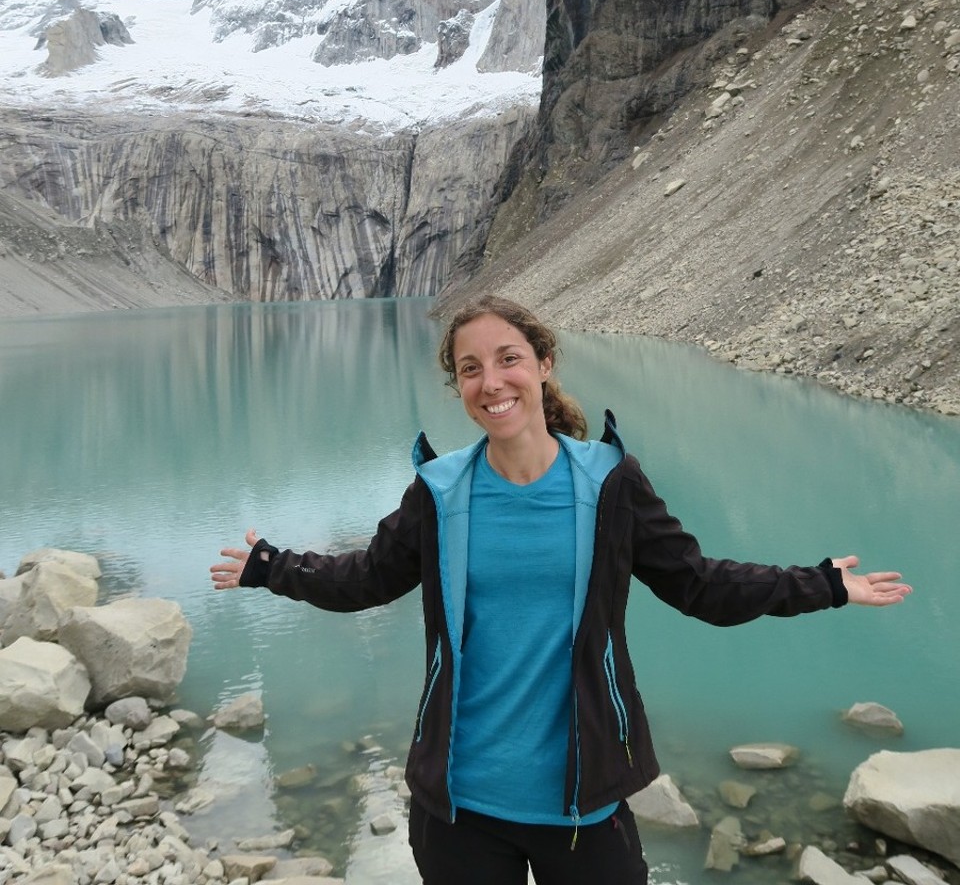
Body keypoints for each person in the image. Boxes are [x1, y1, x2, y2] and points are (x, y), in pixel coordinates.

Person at [211, 293, 911, 885]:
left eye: (508, 359)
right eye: (471, 369)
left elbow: (698, 585)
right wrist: (272, 567)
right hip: (458, 808)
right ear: (458, 387)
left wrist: (821, 585)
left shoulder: (608, 483)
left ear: (543, 365)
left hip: (584, 804)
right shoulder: (439, 490)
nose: (492, 383)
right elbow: (367, 577)